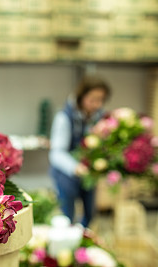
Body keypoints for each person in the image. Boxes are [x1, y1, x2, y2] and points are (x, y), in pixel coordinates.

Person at [49, 75, 111, 227]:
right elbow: (56, 153)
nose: (97, 104)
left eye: (101, 99)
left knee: (90, 214)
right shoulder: (64, 117)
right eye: (93, 99)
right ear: (82, 96)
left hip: (88, 175)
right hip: (66, 174)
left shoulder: (99, 117)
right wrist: (75, 167)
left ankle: (83, 241)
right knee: (67, 217)